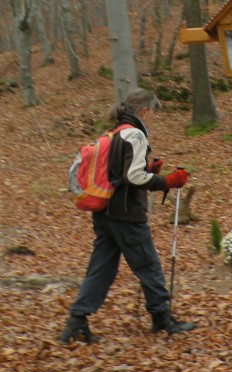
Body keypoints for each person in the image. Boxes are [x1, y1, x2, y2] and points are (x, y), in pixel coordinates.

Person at [59, 88, 196, 343]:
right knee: (148, 265)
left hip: (104, 212)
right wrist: (166, 180)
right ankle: (162, 320)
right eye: (153, 111)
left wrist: (149, 168)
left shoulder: (113, 133)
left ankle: (75, 323)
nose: (153, 116)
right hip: (127, 215)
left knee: (100, 269)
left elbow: (119, 171)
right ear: (143, 111)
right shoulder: (134, 134)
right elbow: (132, 176)